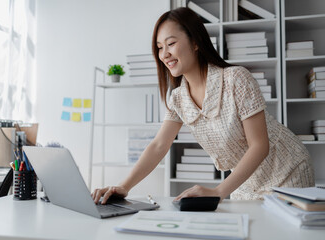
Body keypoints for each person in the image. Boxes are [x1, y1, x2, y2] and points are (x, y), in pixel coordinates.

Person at [92, 7, 314, 204]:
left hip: (287, 173)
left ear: (195, 42)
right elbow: (159, 145)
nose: (164, 54)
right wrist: (124, 186)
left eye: (171, 43)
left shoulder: (236, 78)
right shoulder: (177, 98)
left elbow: (259, 145)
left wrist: (218, 191)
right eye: (160, 47)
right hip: (245, 181)